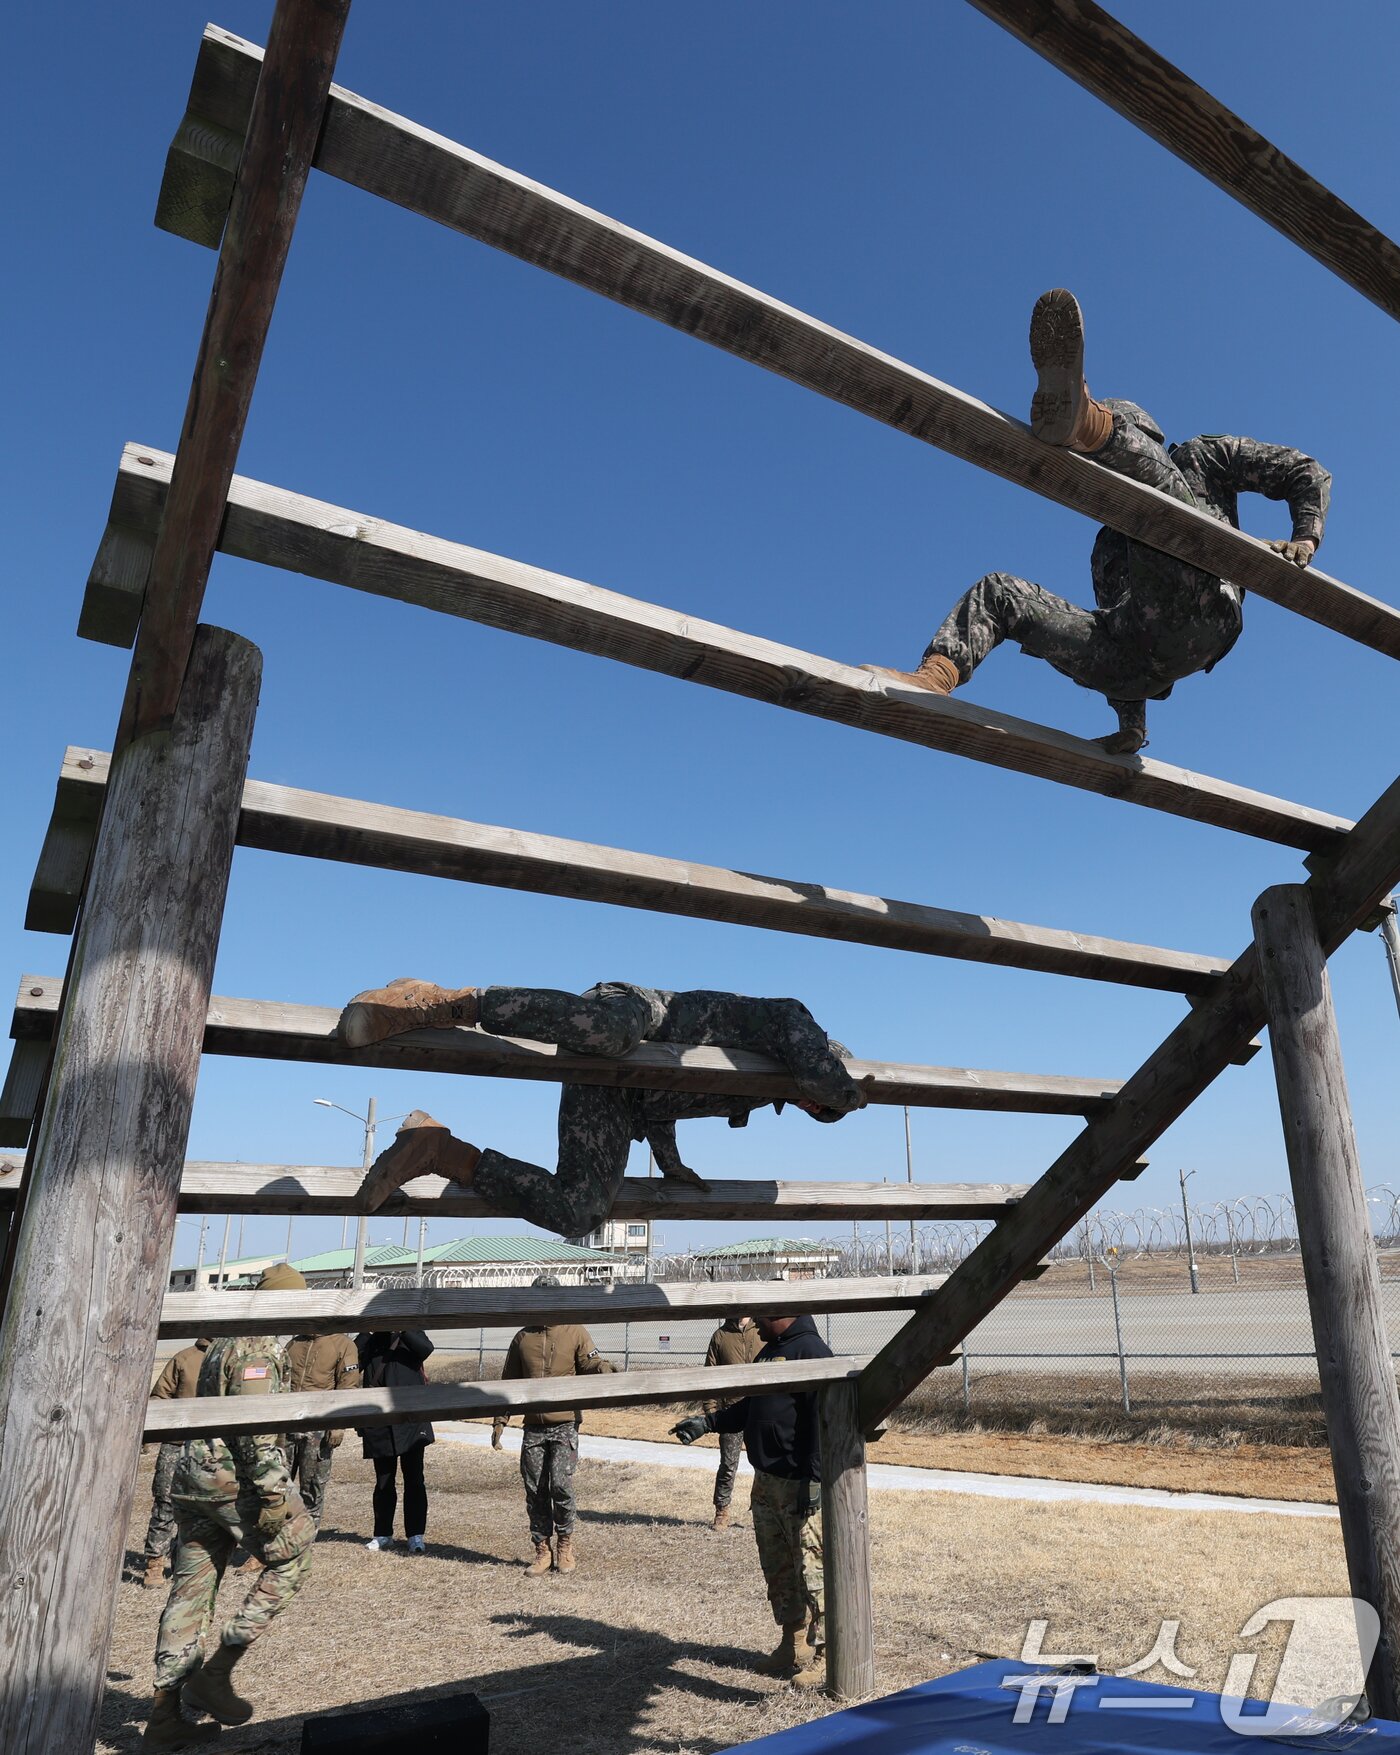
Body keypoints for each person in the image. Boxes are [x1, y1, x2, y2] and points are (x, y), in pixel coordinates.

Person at [865, 288, 1331, 755]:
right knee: (1000, 592)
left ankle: (1089, 424)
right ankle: (935, 678)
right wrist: (1132, 725)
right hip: (1138, 662)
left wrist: (1305, 537)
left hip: (1206, 603)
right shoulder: (1107, 546)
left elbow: (1305, 471)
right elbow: (1120, 621)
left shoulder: (1201, 458)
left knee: (1160, 501)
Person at [338, 979, 866, 1237]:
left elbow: (668, 1096)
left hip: (620, 1090)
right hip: (635, 1016)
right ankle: (445, 1003)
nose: (806, 1103)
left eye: (811, 1110)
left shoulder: (764, 1088)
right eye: (814, 1100)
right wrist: (858, 1095)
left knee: (582, 1212)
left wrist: (669, 1159)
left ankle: (439, 1149)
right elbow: (824, 1073)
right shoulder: (793, 1023)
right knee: (611, 1032)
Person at [142, 1265, 316, 1750]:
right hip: (228, 1481)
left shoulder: (222, 1340)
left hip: (192, 1478)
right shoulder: (258, 1347)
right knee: (294, 1556)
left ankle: (163, 1718)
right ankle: (215, 1673)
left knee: (189, 1593)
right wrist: (276, 1498)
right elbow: (256, 1429)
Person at [672, 1311, 831, 1691]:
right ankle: (793, 1644)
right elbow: (751, 1407)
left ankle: (828, 1654)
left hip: (798, 1483)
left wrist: (814, 1476)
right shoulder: (768, 1353)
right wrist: (709, 1422)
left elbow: (823, 1420)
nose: (755, 1324)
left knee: (813, 1570)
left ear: (783, 1313)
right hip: (766, 1481)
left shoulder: (811, 1351)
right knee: (778, 1567)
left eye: (762, 1316)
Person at [491, 1276, 617, 1576]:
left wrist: (604, 1368)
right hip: (533, 1425)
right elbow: (509, 1382)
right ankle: (542, 1548)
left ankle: (565, 1544)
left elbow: (589, 1362)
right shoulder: (523, 1337)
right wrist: (500, 1420)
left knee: (560, 1484)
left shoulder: (574, 1331)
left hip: (565, 1423)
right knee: (535, 1489)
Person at [356, 1328, 435, 1553]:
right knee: (383, 1481)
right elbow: (354, 1359)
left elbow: (426, 1349)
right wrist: (369, 1330)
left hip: (411, 1418)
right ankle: (382, 1534)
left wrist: (402, 1328)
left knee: (415, 1479)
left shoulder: (409, 1333)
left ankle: (416, 1535)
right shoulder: (372, 1339)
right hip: (379, 1418)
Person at [142, 1336, 212, 1589]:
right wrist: (150, 1432)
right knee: (165, 1502)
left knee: (205, 1508)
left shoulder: (232, 1357)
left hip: (214, 1449)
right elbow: (160, 1396)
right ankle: (154, 1563)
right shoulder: (184, 1358)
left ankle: (188, 1561)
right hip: (176, 1443)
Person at [283, 1328, 360, 1528]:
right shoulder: (294, 1343)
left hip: (318, 1429)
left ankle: (305, 1537)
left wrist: (337, 1425)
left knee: (312, 1487)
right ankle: (279, 1535)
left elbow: (348, 1387)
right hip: (287, 1426)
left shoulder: (342, 1344)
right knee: (280, 1485)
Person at [702, 1314, 761, 1530]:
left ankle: (761, 1511)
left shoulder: (761, 1330)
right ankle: (722, 1510)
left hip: (760, 1411)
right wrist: (711, 1411)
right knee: (728, 1465)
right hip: (731, 1412)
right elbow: (709, 1375)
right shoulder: (720, 1336)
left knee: (763, 1465)